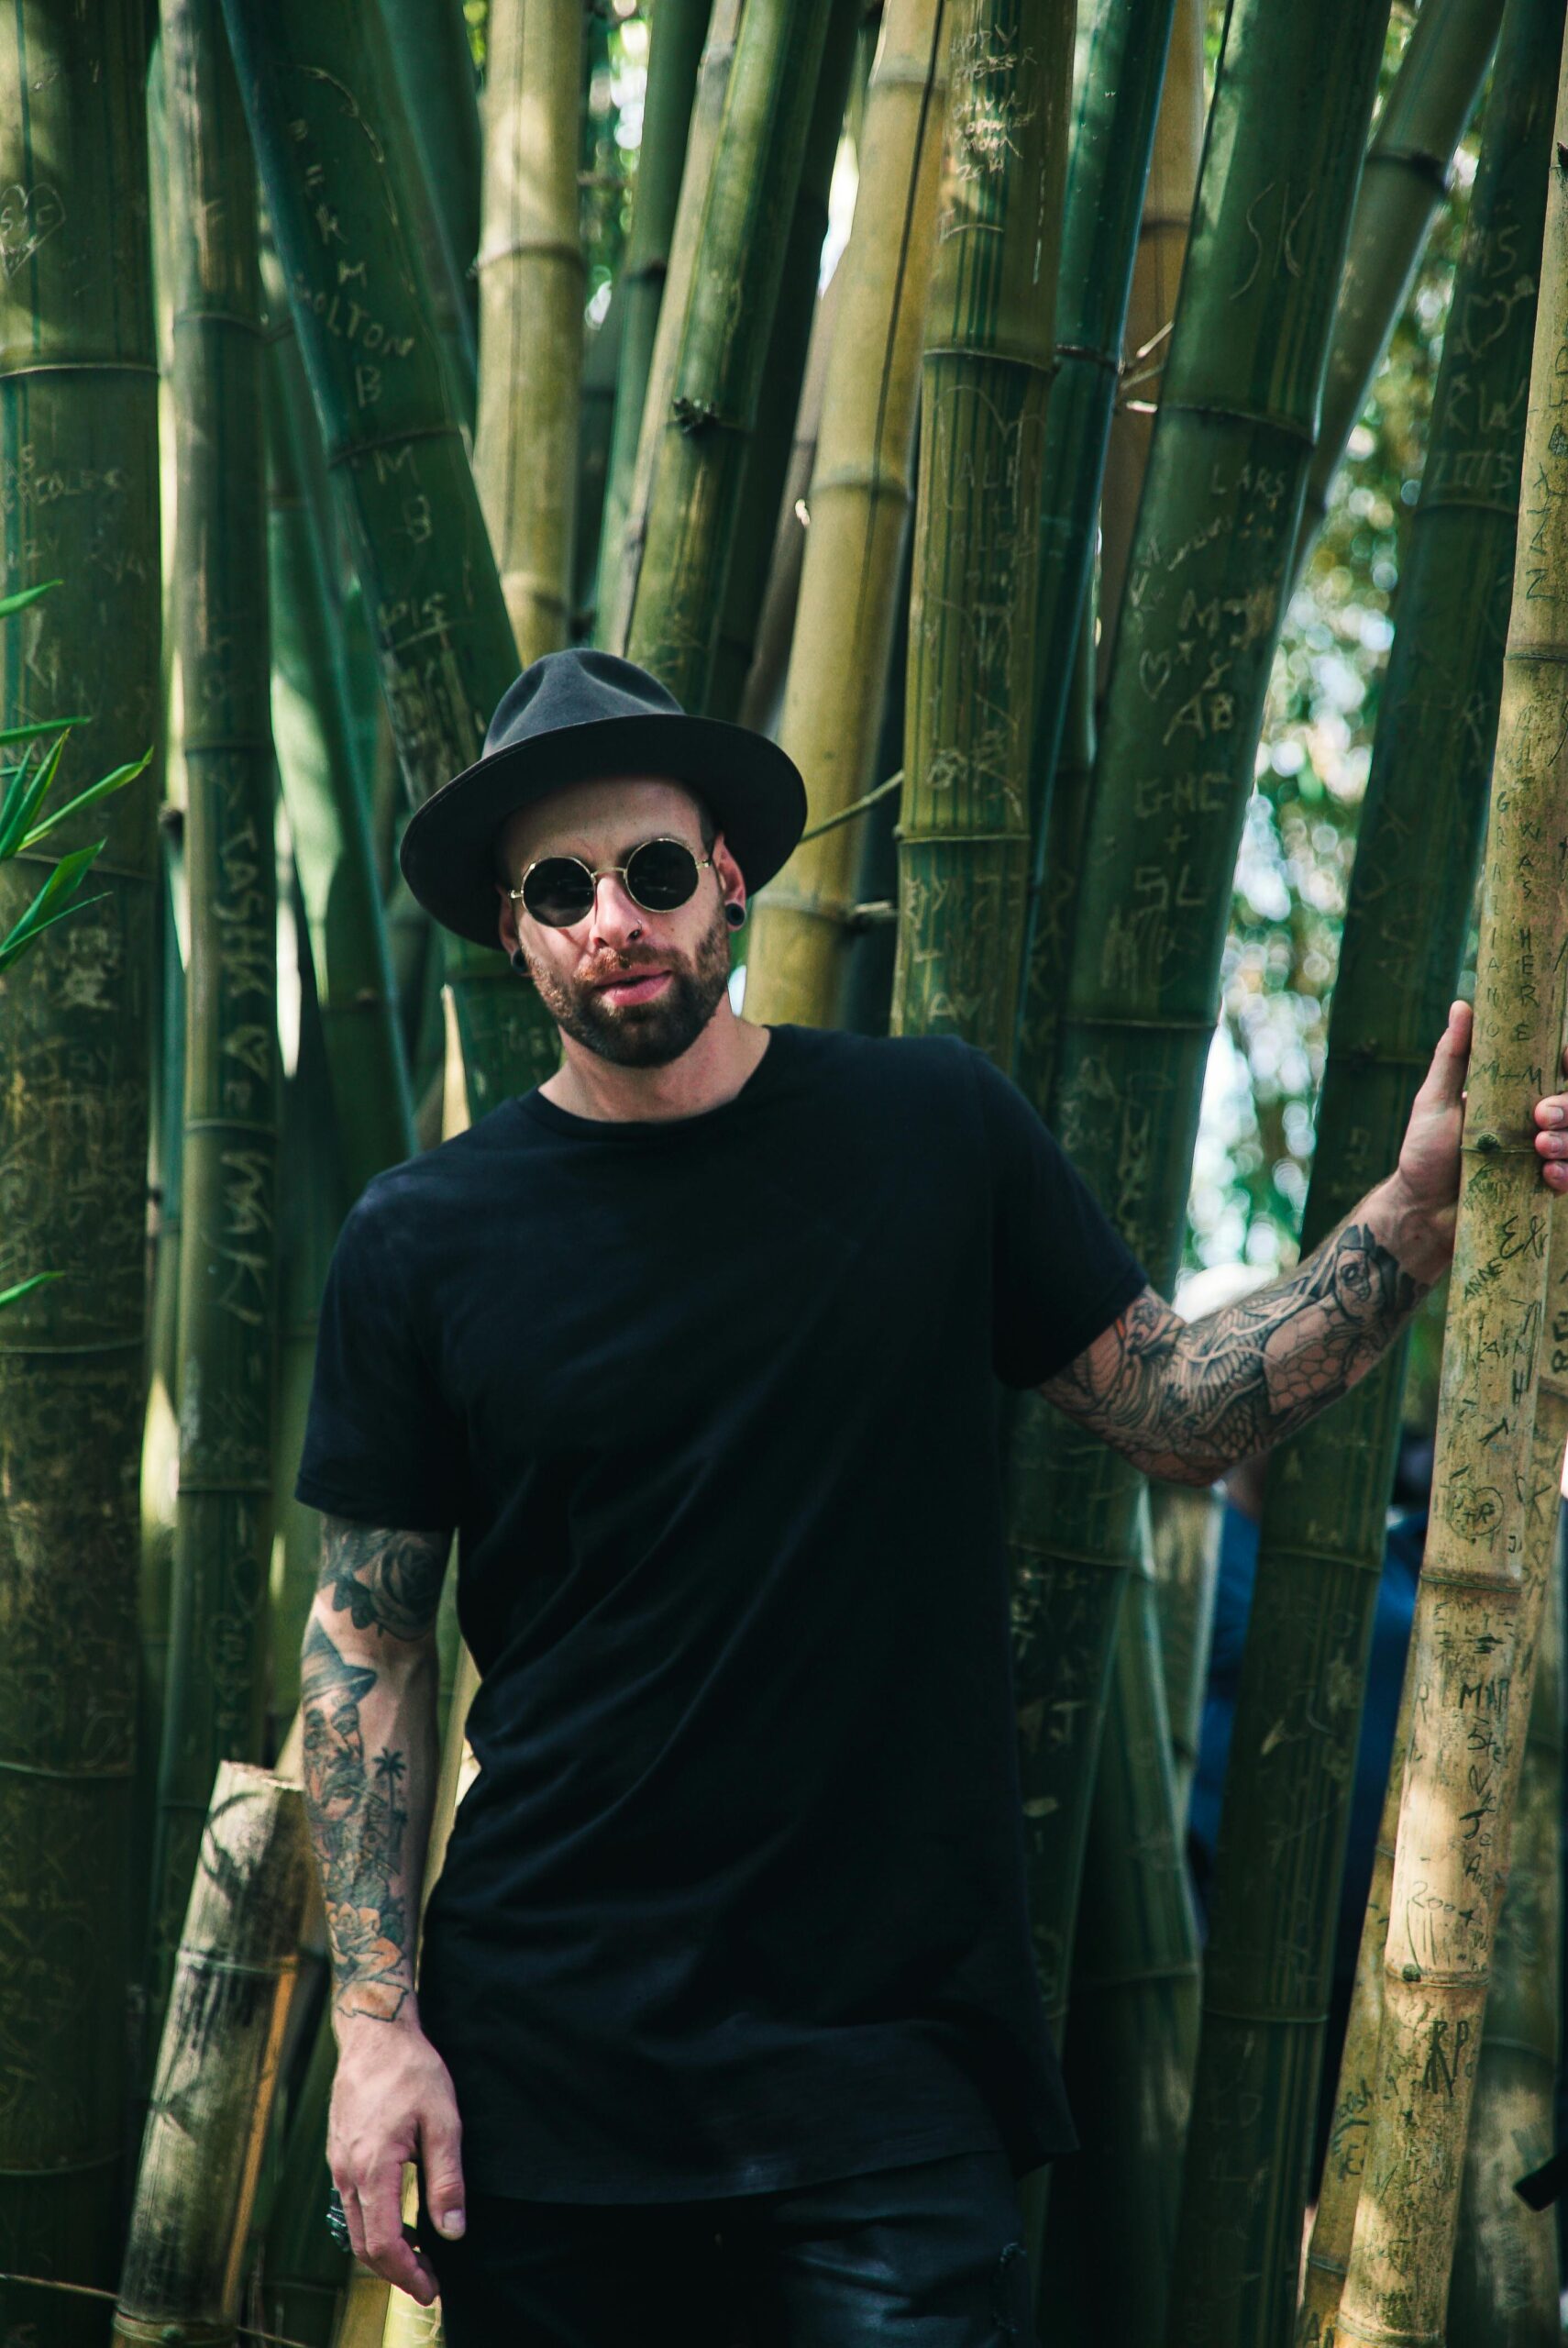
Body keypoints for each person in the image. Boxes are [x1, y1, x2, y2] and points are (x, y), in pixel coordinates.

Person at [294, 647, 1568, 2347]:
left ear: (728, 881)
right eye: (561, 887)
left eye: (655, 870)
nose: (616, 917)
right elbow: (364, 1646)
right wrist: (377, 2031)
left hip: (889, 2070)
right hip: (556, 2069)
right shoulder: (416, 1239)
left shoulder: (926, 1129)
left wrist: (1406, 1226)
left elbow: (1178, 1406)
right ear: (514, 931)